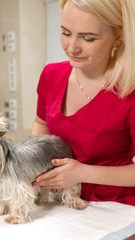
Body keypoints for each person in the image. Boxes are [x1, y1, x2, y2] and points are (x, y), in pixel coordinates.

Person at [31, 0, 135, 205]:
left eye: (88, 38)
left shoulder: (129, 92)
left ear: (118, 37)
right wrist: (37, 162)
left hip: (115, 205)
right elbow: (40, 123)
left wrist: (82, 173)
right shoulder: (51, 75)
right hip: (58, 200)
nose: (72, 48)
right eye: (66, 33)